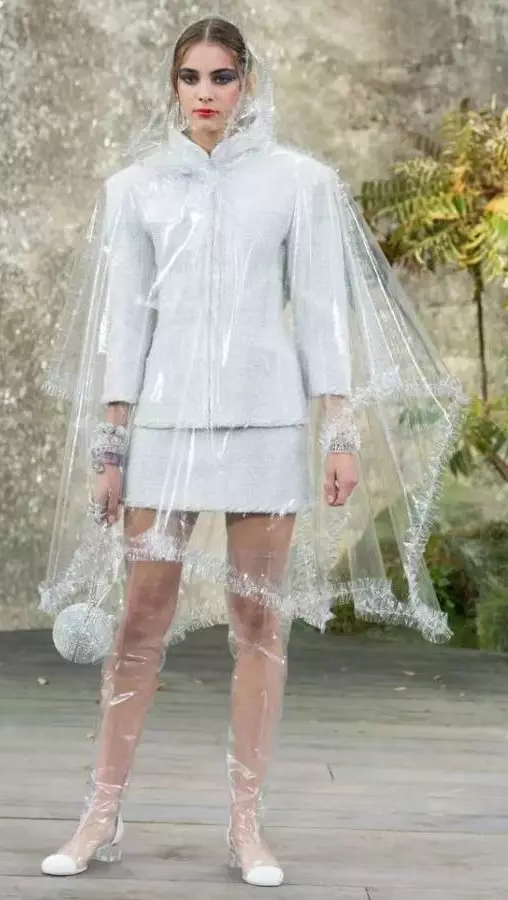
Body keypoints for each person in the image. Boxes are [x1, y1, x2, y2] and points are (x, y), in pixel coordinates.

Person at [37, 15, 464, 888]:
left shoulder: (300, 184)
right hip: (163, 427)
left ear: (248, 83)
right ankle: (100, 814)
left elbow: (321, 312)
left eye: (221, 77)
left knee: (259, 623)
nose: (205, 93)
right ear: (172, 86)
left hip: (266, 426)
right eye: (190, 77)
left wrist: (338, 433)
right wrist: (111, 447)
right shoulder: (135, 190)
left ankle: (245, 825)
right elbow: (124, 325)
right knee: (140, 621)